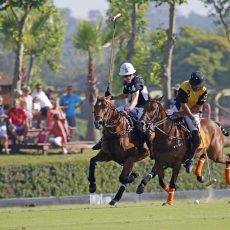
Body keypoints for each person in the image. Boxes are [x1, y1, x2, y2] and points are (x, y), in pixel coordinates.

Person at [92, 62, 149, 150]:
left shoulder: (137, 81)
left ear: (132, 73)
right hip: (131, 106)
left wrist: (127, 110)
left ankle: (146, 145)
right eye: (125, 76)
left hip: (143, 108)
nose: (128, 77)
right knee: (112, 114)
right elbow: (124, 95)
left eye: (129, 75)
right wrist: (112, 97)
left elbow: (135, 99)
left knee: (140, 125)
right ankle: (102, 140)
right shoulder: (126, 83)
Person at [168, 71, 208, 173]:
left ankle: (189, 159)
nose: (198, 88)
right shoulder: (184, 86)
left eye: (199, 85)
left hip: (193, 113)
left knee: (197, 137)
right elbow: (183, 105)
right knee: (163, 125)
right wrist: (185, 115)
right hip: (178, 109)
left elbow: (198, 107)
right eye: (196, 86)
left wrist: (189, 116)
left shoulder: (203, 91)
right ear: (191, 83)